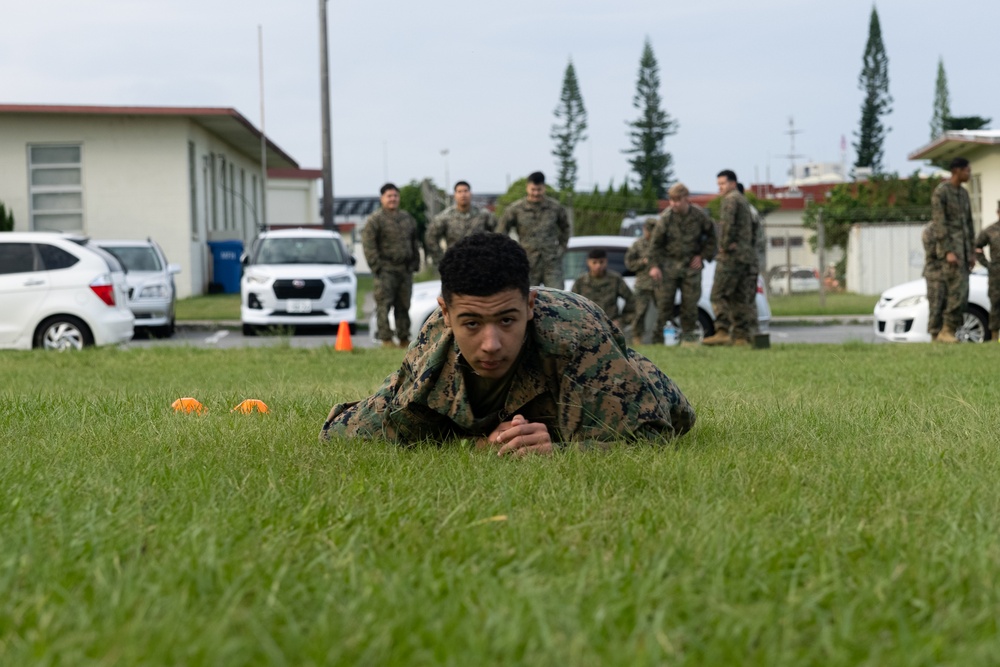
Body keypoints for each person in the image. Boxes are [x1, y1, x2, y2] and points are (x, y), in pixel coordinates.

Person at [320, 232, 696, 453]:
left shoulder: (577, 341)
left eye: (506, 320)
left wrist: (559, 449)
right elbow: (344, 431)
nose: (491, 344)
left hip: (583, 374)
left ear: (529, 306)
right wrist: (476, 442)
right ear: (446, 314)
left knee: (674, 410)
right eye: (471, 323)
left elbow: (653, 433)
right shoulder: (433, 347)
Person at [648, 183, 717, 347]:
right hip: (669, 266)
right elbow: (655, 244)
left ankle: (689, 341)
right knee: (664, 305)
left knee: (690, 306)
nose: (673, 204)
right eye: (671, 200)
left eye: (677, 200)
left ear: (686, 199)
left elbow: (712, 239)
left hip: (690, 266)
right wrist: (654, 266)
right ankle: (660, 342)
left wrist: (702, 256)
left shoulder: (699, 216)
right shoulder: (666, 218)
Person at [362, 183, 421, 348]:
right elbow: (368, 244)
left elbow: (414, 242)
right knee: (384, 305)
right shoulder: (376, 220)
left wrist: (415, 263)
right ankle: (386, 339)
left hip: (405, 269)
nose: (392, 199)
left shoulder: (407, 218)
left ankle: (403, 337)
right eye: (389, 196)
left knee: (403, 305)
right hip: (385, 270)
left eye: (395, 196)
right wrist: (377, 266)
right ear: (382, 198)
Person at [702, 170, 757, 347]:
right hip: (745, 256)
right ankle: (741, 336)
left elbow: (727, 225)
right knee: (738, 297)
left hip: (731, 257)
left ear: (733, 183)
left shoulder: (731, 200)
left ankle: (722, 331)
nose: (720, 188)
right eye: (719, 185)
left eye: (723, 184)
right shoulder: (744, 201)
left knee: (718, 294)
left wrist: (724, 246)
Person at [930, 157, 976, 343]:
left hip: (964, 252)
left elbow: (969, 224)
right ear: (956, 171)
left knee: (963, 293)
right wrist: (948, 251)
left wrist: (971, 252)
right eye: (967, 171)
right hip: (951, 253)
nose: (969, 174)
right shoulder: (941, 193)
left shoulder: (963, 194)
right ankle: (944, 330)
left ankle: (948, 331)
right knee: (954, 292)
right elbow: (939, 224)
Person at [497, 171, 571, 287]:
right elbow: (501, 232)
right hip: (527, 262)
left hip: (551, 263)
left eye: (539, 190)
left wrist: (561, 249)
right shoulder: (515, 209)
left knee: (558, 298)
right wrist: (511, 254)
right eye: (533, 190)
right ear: (527, 188)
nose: (536, 193)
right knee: (526, 298)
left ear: (544, 188)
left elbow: (566, 228)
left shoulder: (555, 208)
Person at [425, 181, 497, 267]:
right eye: (459, 192)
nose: (463, 194)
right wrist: (441, 260)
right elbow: (431, 237)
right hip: (455, 264)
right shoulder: (445, 217)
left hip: (480, 263)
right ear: (455, 195)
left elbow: (498, 233)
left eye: (466, 191)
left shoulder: (484, 215)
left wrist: (492, 256)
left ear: (470, 193)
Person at [624, 217, 666, 345]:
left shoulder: (661, 245)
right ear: (644, 230)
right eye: (649, 230)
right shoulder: (637, 245)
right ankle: (637, 338)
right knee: (640, 312)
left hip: (659, 284)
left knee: (663, 312)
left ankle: (659, 338)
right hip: (643, 283)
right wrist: (642, 263)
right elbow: (629, 264)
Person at [570, 248, 635, 330]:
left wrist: (621, 320)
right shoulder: (581, 282)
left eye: (601, 262)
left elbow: (632, 300)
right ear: (588, 263)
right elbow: (572, 304)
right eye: (594, 262)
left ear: (606, 262)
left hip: (610, 325)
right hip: (587, 326)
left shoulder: (615, 279)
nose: (598, 266)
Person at [974, 200, 1000, 342]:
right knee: (996, 304)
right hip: (996, 274)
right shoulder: (990, 231)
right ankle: (995, 336)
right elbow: (977, 247)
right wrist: (987, 265)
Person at [922, 221, 946, 342]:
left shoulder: (953, 226)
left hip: (950, 274)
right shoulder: (930, 230)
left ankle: (947, 335)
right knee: (936, 307)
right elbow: (933, 252)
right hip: (935, 273)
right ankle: (935, 337)